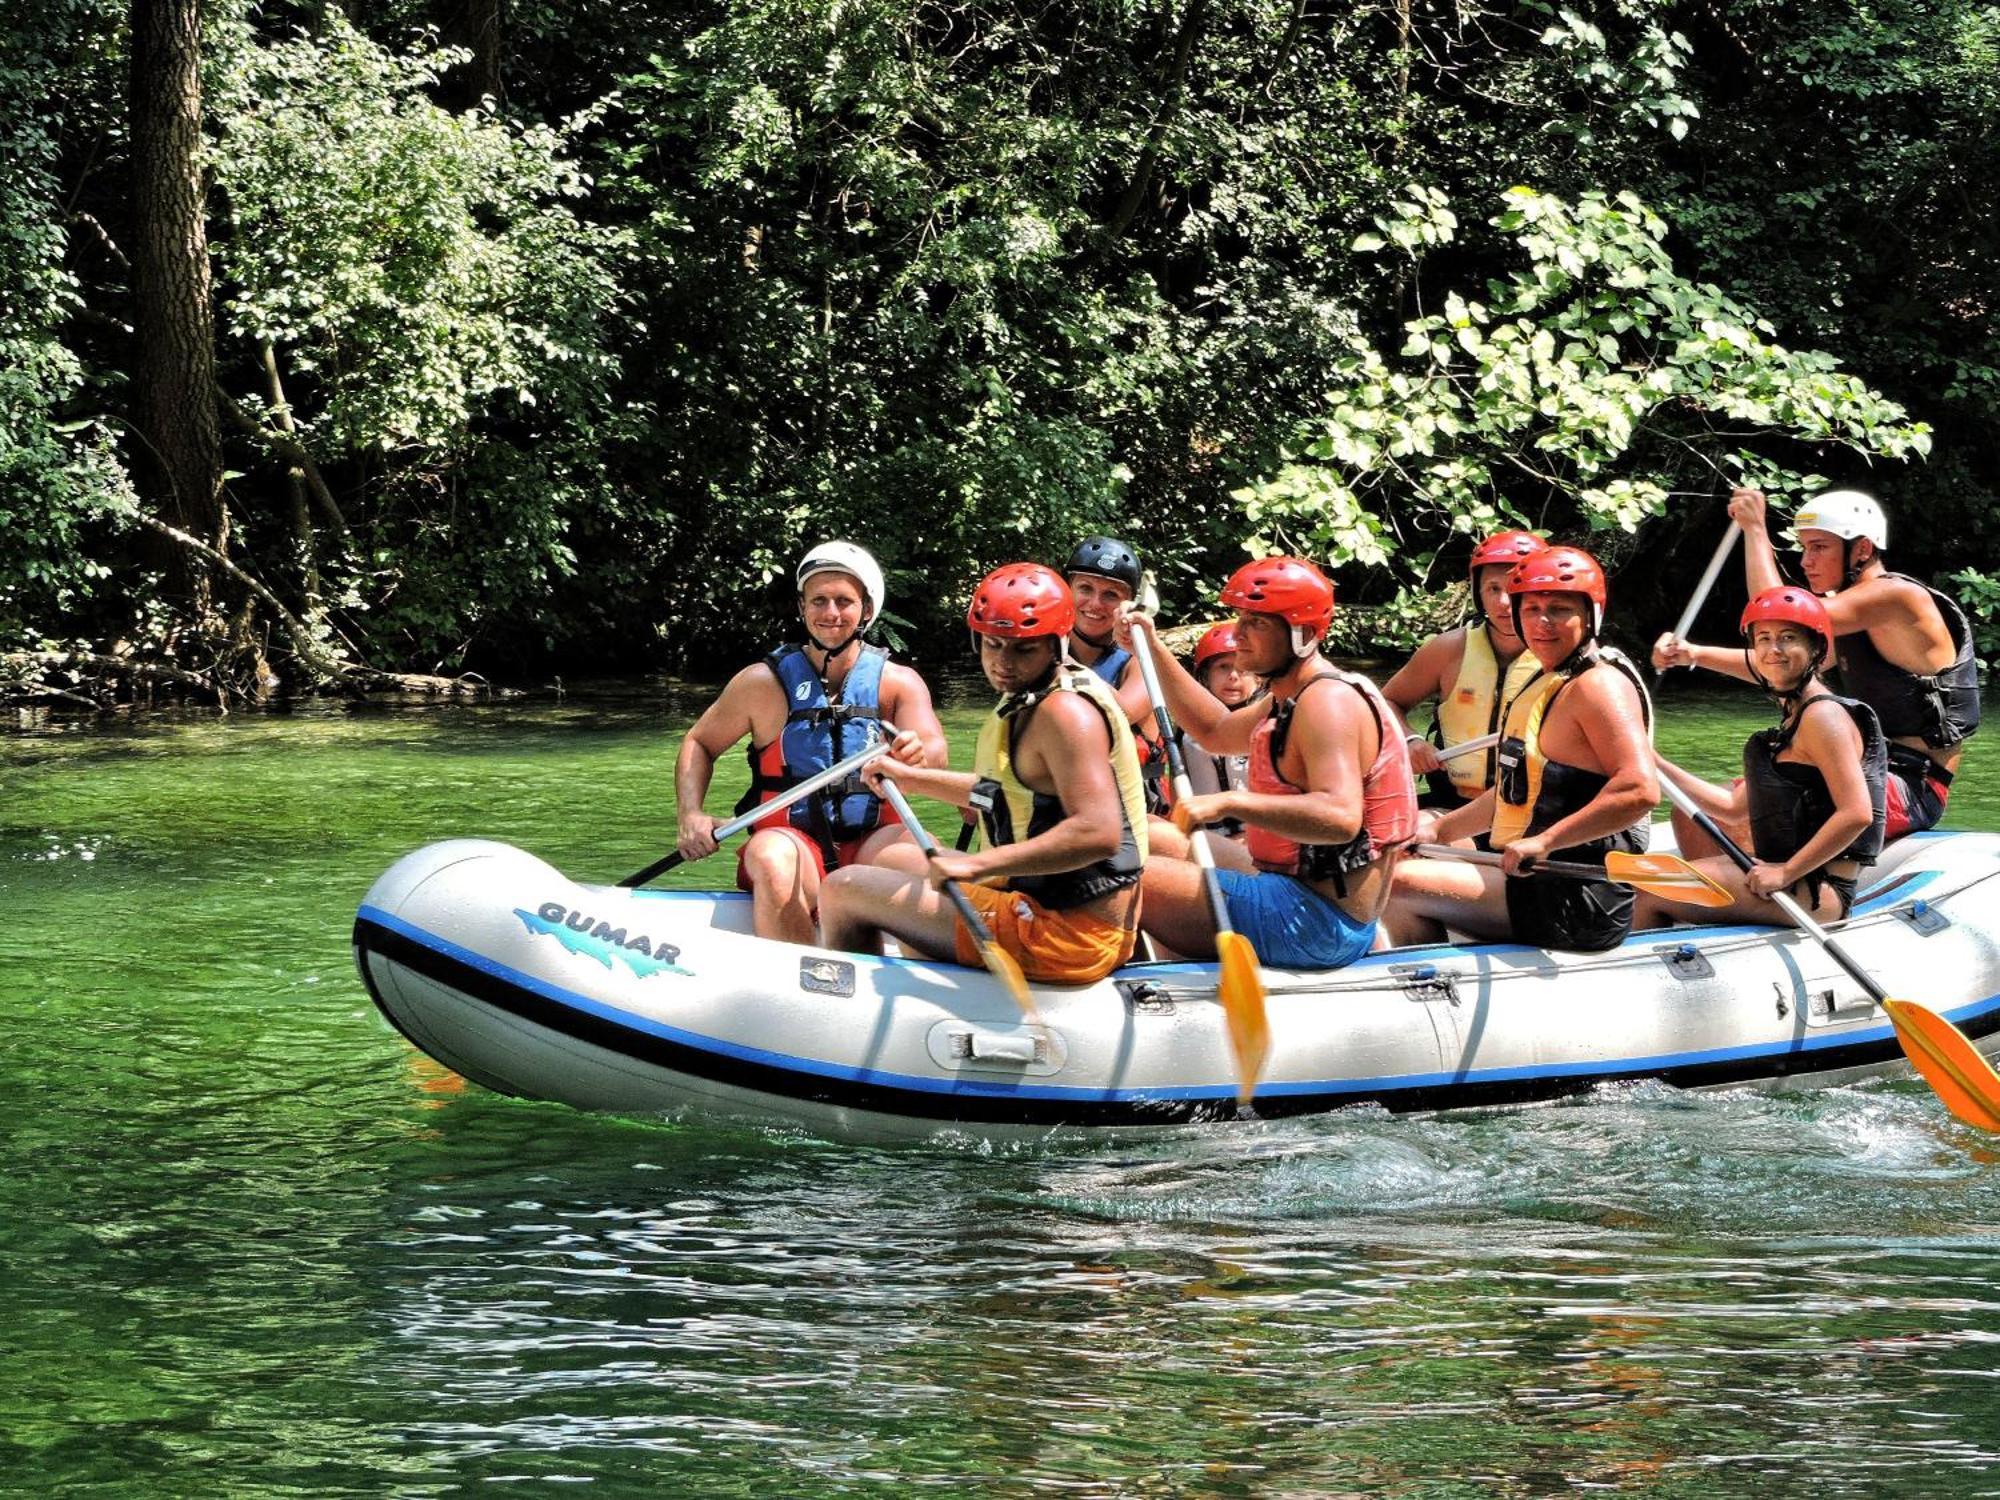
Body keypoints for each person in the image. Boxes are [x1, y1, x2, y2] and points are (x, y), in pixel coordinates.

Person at [817, 564, 1149, 984]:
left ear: (1056, 644)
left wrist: (977, 866)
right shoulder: (1037, 693)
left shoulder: (1065, 713)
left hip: (1067, 934)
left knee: (843, 888)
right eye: (994, 645)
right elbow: (1004, 794)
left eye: (1023, 649)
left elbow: (1098, 833)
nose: (1003, 663)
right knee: (901, 861)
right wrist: (909, 778)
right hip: (1056, 908)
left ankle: (845, 1021)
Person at [1116, 557, 1416, 970]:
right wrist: (1151, 648)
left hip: (1315, 923)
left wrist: (1228, 804)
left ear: (1303, 635)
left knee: (1114, 873)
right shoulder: (1290, 695)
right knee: (1147, 830)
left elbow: (1340, 816)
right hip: (1294, 892)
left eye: (1256, 623)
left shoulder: (1326, 702)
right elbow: (1215, 730)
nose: (1237, 635)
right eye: (1240, 619)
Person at [1654, 488, 1978, 848]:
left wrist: (1755, 530)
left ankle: (1794, 896)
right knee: (1692, 814)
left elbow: (1777, 613)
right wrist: (1693, 654)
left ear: (1863, 549)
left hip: (1909, 787)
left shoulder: (1897, 598)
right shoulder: (1844, 612)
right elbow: (1780, 666)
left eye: (1819, 547)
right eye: (1804, 548)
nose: (1806, 561)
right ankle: (1736, 902)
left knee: (1749, 820)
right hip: (1852, 768)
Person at [1377, 547, 1659, 952]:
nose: (1542, 622)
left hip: (1578, 895)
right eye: (1531, 609)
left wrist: (1546, 842)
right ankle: (1428, 983)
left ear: (1591, 614)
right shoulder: (1546, 683)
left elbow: (1640, 791)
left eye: (1559, 609)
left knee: (1395, 881)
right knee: (1400, 863)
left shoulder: (1599, 686)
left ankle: (1426, 984)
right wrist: (1438, 828)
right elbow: (1516, 791)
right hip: (1535, 880)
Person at [673, 541, 947, 943]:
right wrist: (691, 814)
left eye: (843, 601)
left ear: (866, 610)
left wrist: (917, 754)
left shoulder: (898, 682)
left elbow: (935, 751)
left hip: (873, 840)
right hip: (791, 843)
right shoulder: (761, 683)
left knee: (931, 864)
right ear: (801, 608)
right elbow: (699, 743)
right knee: (769, 858)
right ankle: (804, 984)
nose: (830, 613)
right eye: (818, 600)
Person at [1635, 586, 1885, 929]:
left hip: (1816, 890)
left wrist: (1785, 871)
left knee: (1649, 888)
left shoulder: (1822, 716)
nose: (1773, 650)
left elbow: (1856, 813)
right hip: (1787, 877)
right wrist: (1653, 761)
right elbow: (1732, 808)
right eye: (1763, 638)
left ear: (1816, 647)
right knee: (1651, 875)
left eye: (1787, 638)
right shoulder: (1793, 716)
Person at [1381, 529, 1549, 810]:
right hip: (1453, 804)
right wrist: (1410, 740)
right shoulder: (1448, 649)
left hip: (1533, 811)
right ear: (1478, 592)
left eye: (1514, 588)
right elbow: (1385, 703)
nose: (1504, 603)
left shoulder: (1562, 658)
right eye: (1494, 589)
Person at [1063, 536, 1172, 817]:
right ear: (1068, 591)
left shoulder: (1141, 661)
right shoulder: (1043, 651)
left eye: (1111, 595)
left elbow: (1119, 712)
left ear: (1128, 604)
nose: (1095, 603)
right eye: (1085, 588)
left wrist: (1059, 662)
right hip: (1063, 800)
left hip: (1132, 810)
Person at [1176, 623, 1258, 852]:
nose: (1233, 676)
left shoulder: (1269, 724)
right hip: (1207, 839)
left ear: (1259, 679)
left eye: (1243, 670)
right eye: (1223, 667)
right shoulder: (1187, 728)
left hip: (1258, 836)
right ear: (1205, 675)